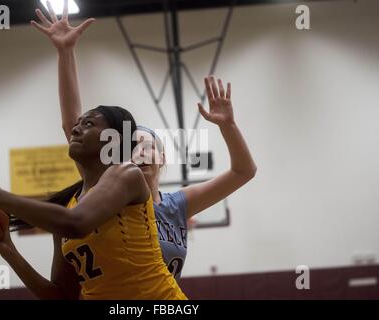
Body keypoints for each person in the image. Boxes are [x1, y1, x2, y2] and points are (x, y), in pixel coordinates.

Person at [28, 0, 257, 281]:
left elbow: (243, 171)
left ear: (162, 158)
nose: (141, 151)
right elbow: (72, 122)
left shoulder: (177, 205)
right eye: (133, 145)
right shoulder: (107, 191)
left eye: (148, 145)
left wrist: (228, 126)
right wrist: (66, 52)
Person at [0, 103, 187, 300]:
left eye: (89, 123)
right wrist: (8, 250)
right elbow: (61, 296)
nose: (75, 129)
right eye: (77, 124)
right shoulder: (67, 206)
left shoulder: (127, 174)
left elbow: (77, 224)